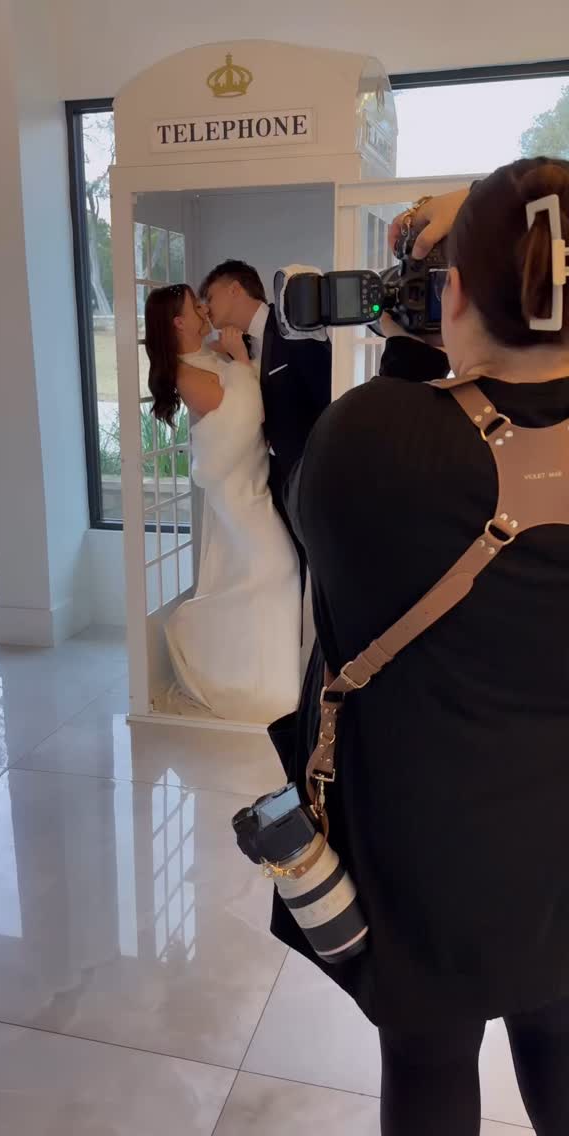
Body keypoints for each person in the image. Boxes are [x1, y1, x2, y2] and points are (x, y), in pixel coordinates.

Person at [269, 158, 569, 1136]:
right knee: (562, 1028)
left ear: (454, 291)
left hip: (429, 838)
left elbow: (314, 533)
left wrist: (407, 327)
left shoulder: (371, 443)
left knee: (432, 1059)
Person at [144, 283, 301, 724]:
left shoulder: (208, 358)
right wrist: (244, 361)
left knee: (265, 576)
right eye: (194, 306)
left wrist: (233, 359)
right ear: (179, 322)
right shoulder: (184, 373)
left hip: (252, 484)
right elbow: (243, 419)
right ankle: (206, 647)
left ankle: (268, 684)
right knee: (278, 569)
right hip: (235, 494)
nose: (202, 308)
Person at [199, 259, 332, 587]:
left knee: (309, 564)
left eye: (210, 297)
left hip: (309, 471)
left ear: (235, 289)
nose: (205, 308)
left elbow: (325, 392)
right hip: (267, 476)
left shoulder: (294, 324)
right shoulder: (236, 346)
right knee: (282, 567)